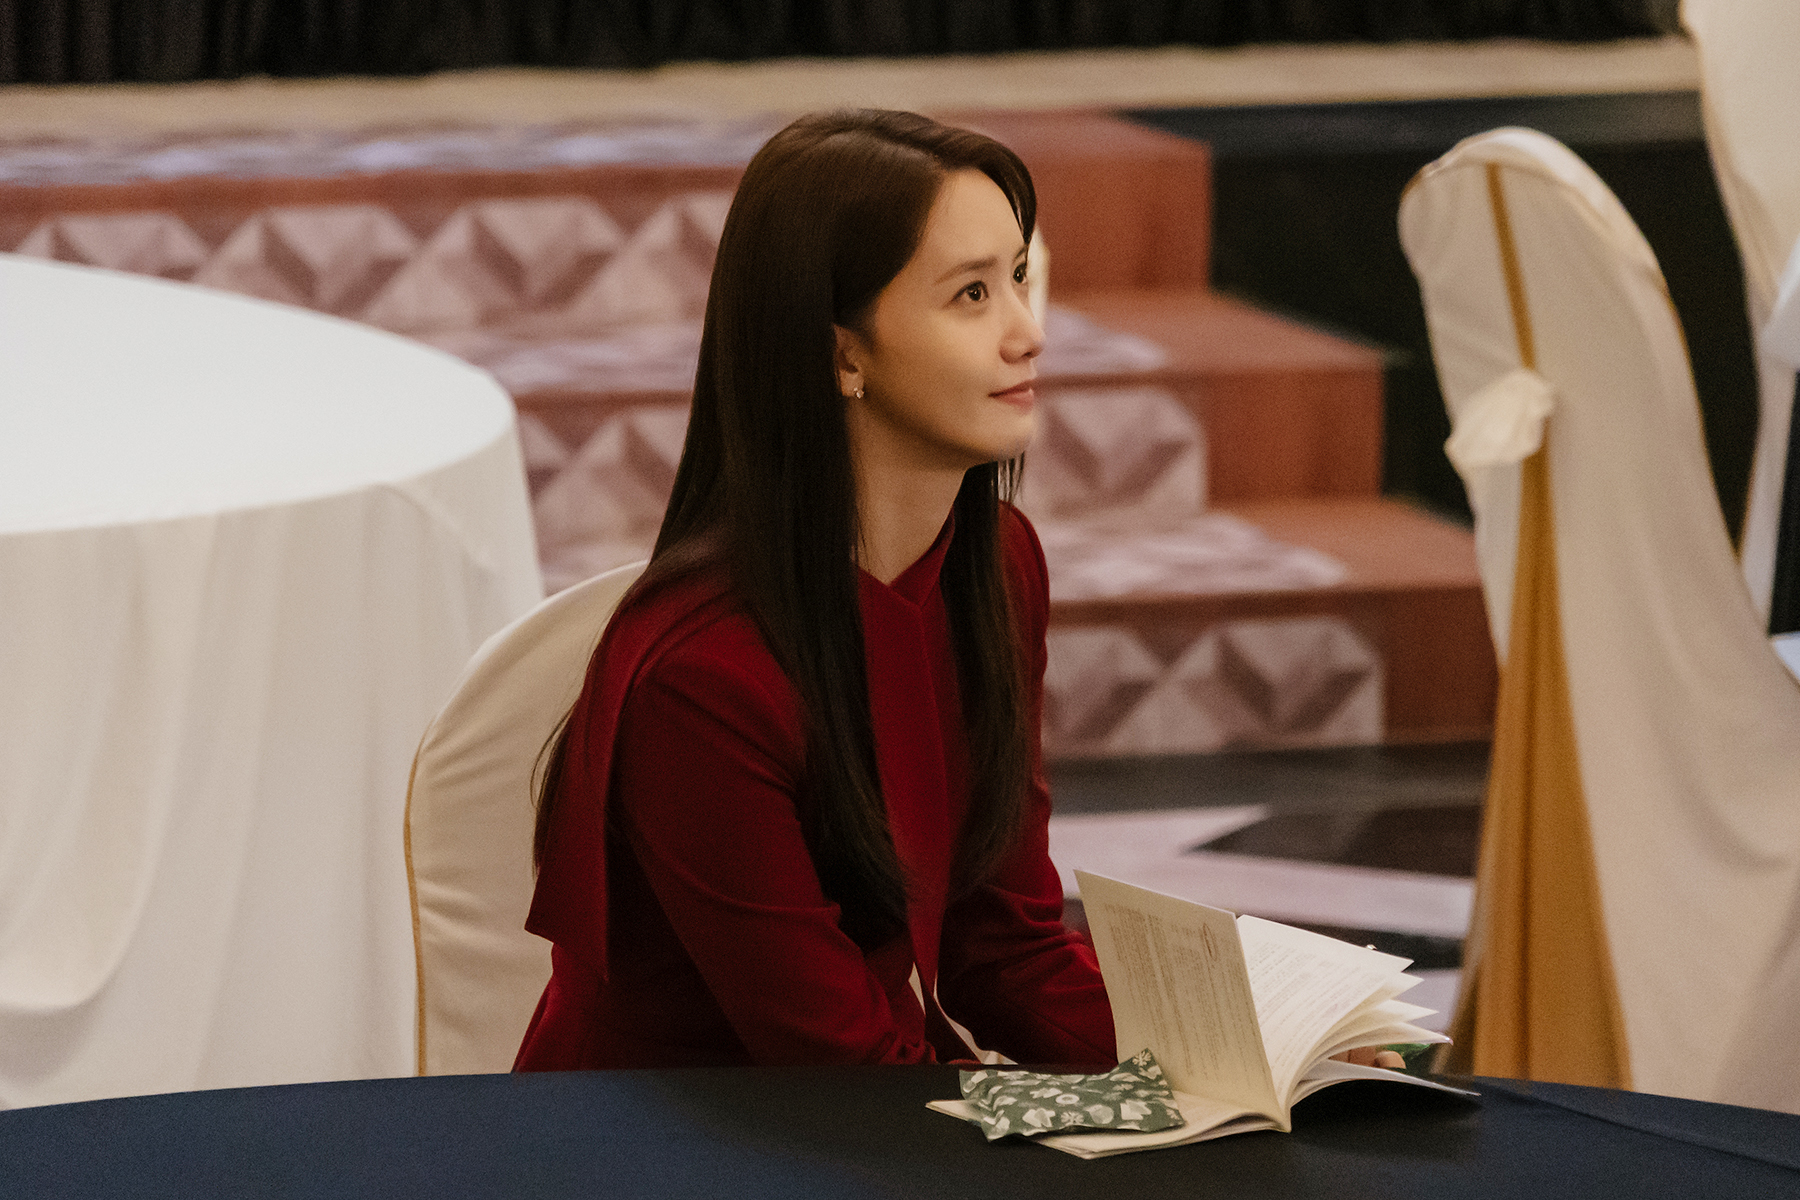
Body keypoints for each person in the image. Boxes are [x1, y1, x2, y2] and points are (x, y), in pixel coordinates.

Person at [514, 109, 1118, 1070]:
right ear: (843, 355)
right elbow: (833, 1065)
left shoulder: (999, 565)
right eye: (971, 294)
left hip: (868, 1104)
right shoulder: (704, 677)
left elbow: (1004, 946)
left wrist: (1249, 1052)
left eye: (1018, 277)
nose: (1028, 333)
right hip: (671, 1129)